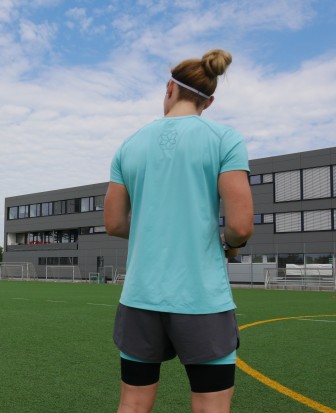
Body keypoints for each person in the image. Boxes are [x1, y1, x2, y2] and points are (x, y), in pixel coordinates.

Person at [104, 49, 254, 413]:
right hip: (201, 298)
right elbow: (239, 226)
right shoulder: (225, 139)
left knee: (133, 405)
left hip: (140, 296)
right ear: (210, 100)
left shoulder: (129, 145)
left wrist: (152, 230)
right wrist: (229, 245)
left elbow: (115, 223)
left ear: (169, 88)